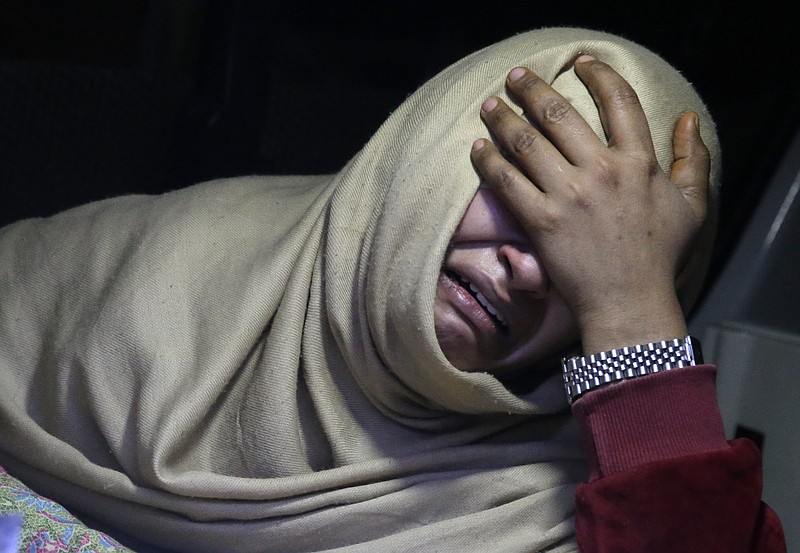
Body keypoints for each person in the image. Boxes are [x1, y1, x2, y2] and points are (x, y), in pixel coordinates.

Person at [0, 27, 785, 552]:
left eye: (602, 248)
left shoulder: (562, 503)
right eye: (530, 188)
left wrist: (630, 312)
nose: (534, 267)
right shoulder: (149, 264)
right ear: (432, 152)